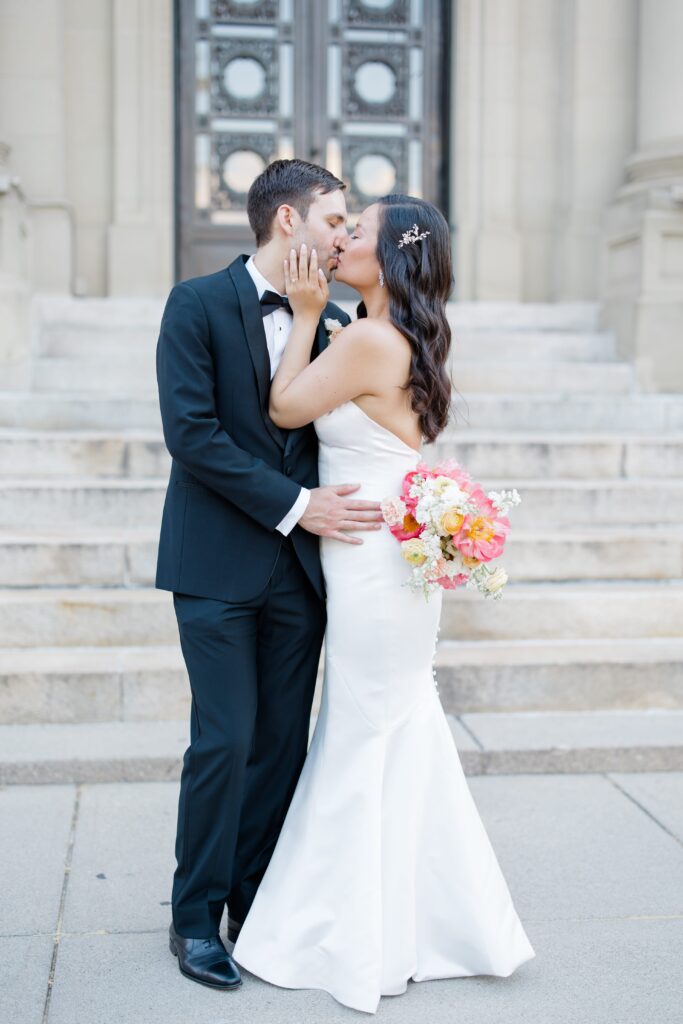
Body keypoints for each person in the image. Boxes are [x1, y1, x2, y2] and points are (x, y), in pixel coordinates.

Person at [232, 195, 536, 1013]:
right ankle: (428, 918)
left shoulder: (365, 336)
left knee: (363, 728)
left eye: (353, 233)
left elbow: (284, 407)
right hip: (383, 554)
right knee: (391, 721)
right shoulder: (406, 333)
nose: (337, 243)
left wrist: (302, 317)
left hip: (371, 559)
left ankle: (352, 932)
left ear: (389, 259)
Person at [155, 159, 385, 991]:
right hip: (214, 562)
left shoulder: (340, 323)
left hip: (300, 575)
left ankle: (254, 904)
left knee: (282, 745)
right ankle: (193, 919)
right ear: (287, 221)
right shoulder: (195, 304)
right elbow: (193, 434)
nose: (342, 235)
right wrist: (296, 504)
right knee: (225, 740)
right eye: (333, 220)